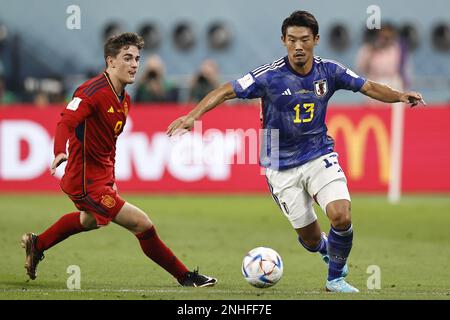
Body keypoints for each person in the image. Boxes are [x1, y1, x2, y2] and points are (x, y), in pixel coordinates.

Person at [167, 11, 425, 293]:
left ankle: (335, 278)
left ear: (316, 40)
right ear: (283, 41)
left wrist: (399, 95)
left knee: (341, 215)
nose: (298, 46)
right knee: (311, 239)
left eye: (304, 40)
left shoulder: (330, 71)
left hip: (318, 154)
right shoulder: (269, 76)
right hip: (279, 165)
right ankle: (325, 247)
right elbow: (227, 90)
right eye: (292, 40)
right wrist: (193, 115)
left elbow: (368, 86)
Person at [21, 32, 217, 288]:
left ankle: (38, 244)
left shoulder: (125, 100)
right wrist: (59, 150)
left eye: (137, 58)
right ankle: (185, 276)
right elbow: (66, 121)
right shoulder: (91, 91)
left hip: (100, 177)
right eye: (127, 58)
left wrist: (110, 179)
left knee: (88, 221)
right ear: (110, 61)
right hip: (84, 180)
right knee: (142, 224)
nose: (135, 64)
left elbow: (108, 145)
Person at [356, 23, 411, 96]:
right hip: (375, 85)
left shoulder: (398, 49)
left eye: (388, 37)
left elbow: (405, 72)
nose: (386, 40)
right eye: (383, 37)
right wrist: (371, 53)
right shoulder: (368, 49)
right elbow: (360, 69)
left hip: (393, 86)